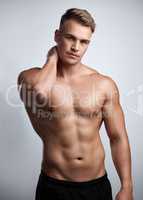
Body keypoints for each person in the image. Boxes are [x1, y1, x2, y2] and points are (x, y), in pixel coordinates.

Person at [17, 8, 133, 200]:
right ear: (57, 36)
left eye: (84, 41)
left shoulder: (103, 84)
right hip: (53, 185)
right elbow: (39, 94)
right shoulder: (29, 78)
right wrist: (52, 58)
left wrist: (127, 186)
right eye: (70, 38)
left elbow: (117, 137)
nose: (76, 47)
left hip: (96, 185)